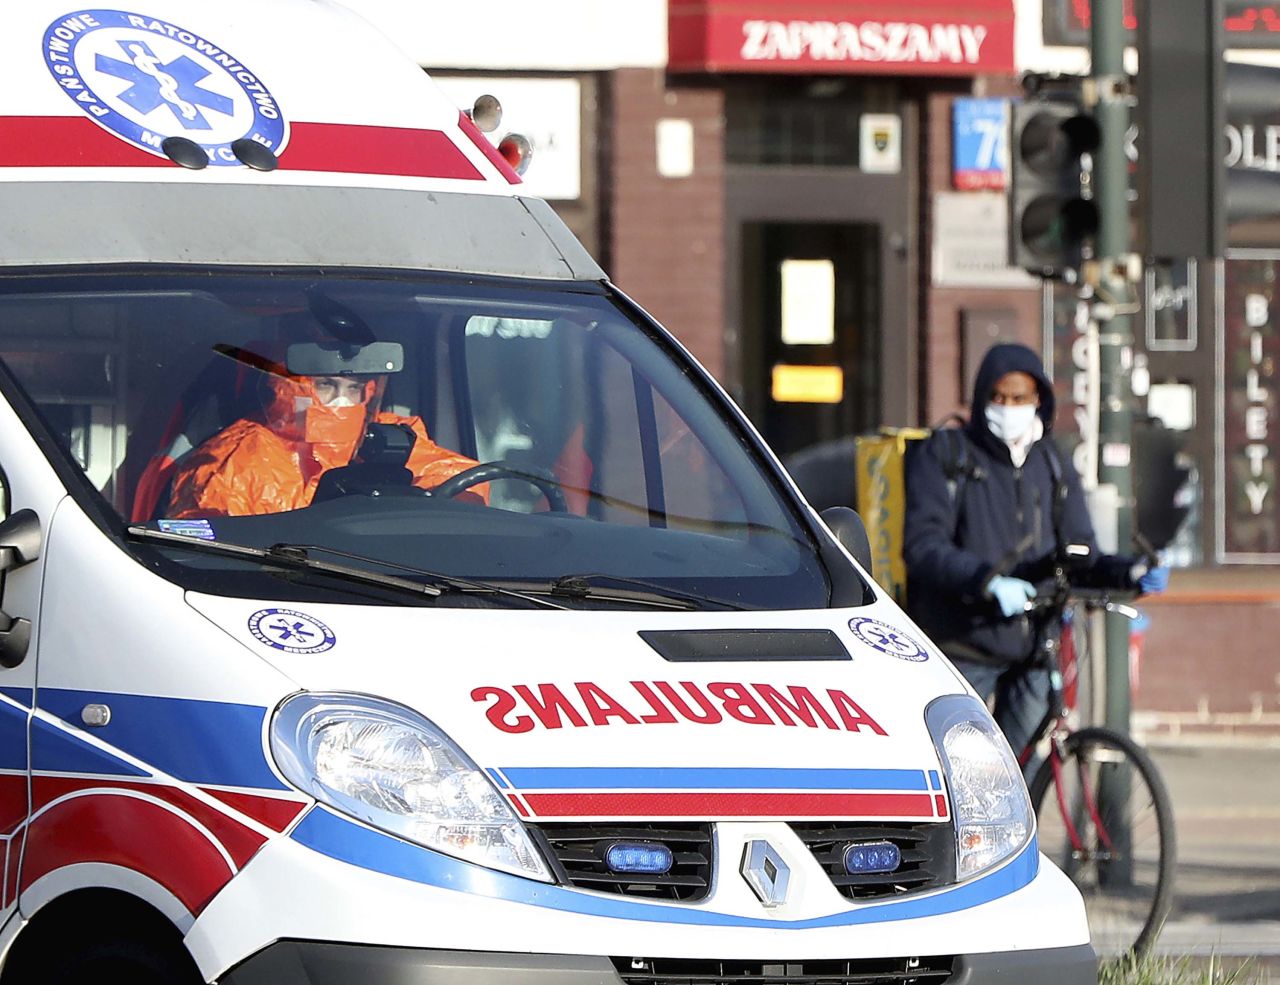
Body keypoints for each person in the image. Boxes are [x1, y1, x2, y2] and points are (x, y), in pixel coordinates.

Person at [902, 342, 1167, 757]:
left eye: (1019, 397)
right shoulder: (946, 455)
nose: (1008, 407)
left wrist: (1128, 573)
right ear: (981, 398)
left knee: (1019, 774)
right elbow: (922, 547)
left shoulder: (1052, 462)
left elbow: (1081, 554)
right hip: (962, 645)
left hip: (1034, 646)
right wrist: (987, 582)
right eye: (998, 397)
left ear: (1038, 400)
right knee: (959, 768)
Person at [166, 362, 484, 518]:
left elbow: (459, 478)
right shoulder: (238, 457)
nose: (341, 402)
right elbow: (211, 546)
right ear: (291, 389)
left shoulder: (386, 433)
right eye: (327, 386)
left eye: (353, 388)